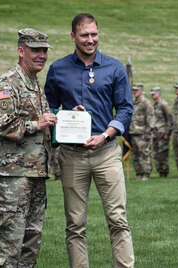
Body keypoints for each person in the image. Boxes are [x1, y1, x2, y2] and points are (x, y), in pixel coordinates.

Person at [44, 13, 135, 267]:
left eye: (94, 34)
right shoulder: (57, 69)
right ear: (73, 36)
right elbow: (48, 106)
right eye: (84, 35)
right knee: (75, 224)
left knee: (118, 219)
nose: (90, 39)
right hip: (72, 155)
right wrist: (64, 116)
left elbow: (126, 109)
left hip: (106, 152)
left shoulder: (114, 67)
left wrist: (106, 134)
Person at [0, 28, 56, 267]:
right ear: (20, 50)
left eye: (44, 51)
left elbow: (42, 123)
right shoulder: (7, 83)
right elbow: (2, 126)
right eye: (36, 50)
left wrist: (64, 119)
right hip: (9, 180)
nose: (41, 55)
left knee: (29, 248)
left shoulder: (34, 84)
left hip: (33, 176)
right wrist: (38, 123)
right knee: (6, 250)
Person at [129, 83, 154, 180]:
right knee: (135, 155)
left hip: (143, 133)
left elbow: (150, 117)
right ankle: (139, 173)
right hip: (133, 132)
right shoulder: (134, 102)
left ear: (141, 91)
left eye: (136, 90)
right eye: (133, 90)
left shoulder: (145, 102)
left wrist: (148, 132)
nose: (134, 92)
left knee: (144, 154)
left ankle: (146, 174)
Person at [151, 86, 172, 178]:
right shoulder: (154, 105)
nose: (152, 95)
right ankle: (160, 171)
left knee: (163, 153)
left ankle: (164, 172)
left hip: (162, 133)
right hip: (155, 133)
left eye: (154, 94)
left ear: (158, 94)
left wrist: (167, 132)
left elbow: (169, 119)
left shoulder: (163, 104)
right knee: (156, 154)